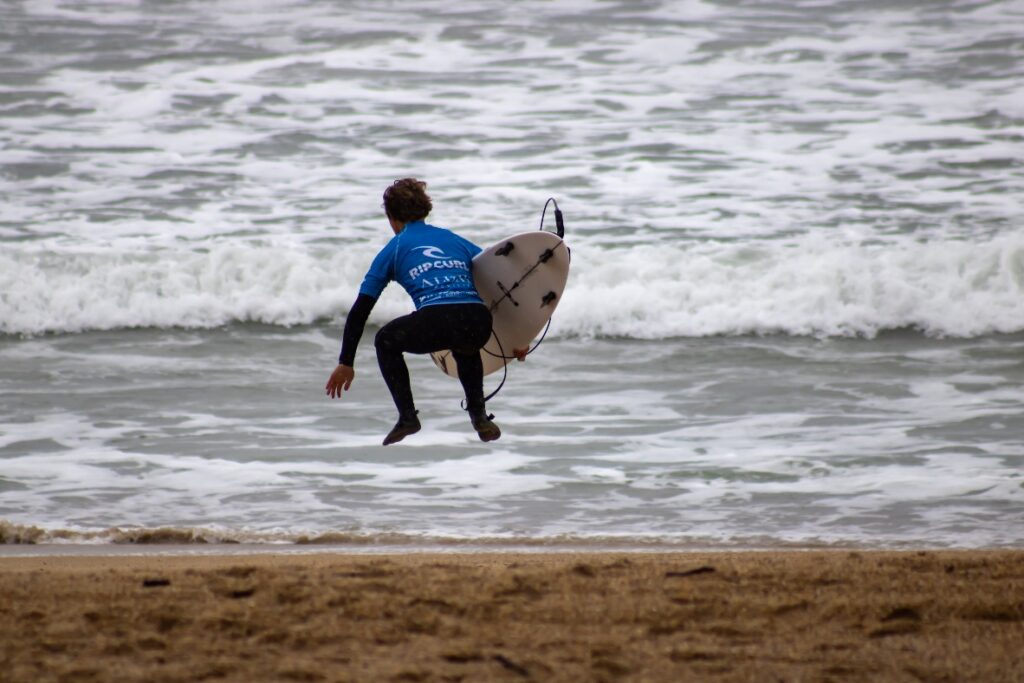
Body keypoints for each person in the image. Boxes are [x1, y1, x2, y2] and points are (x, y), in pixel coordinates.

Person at [325, 178, 501, 445]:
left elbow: (360, 310)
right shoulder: (453, 239)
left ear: (391, 217)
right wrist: (518, 336)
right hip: (478, 321)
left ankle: (408, 416)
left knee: (385, 340)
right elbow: (499, 277)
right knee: (465, 344)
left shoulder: (393, 249)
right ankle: (479, 417)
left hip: (439, 319)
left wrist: (346, 362)